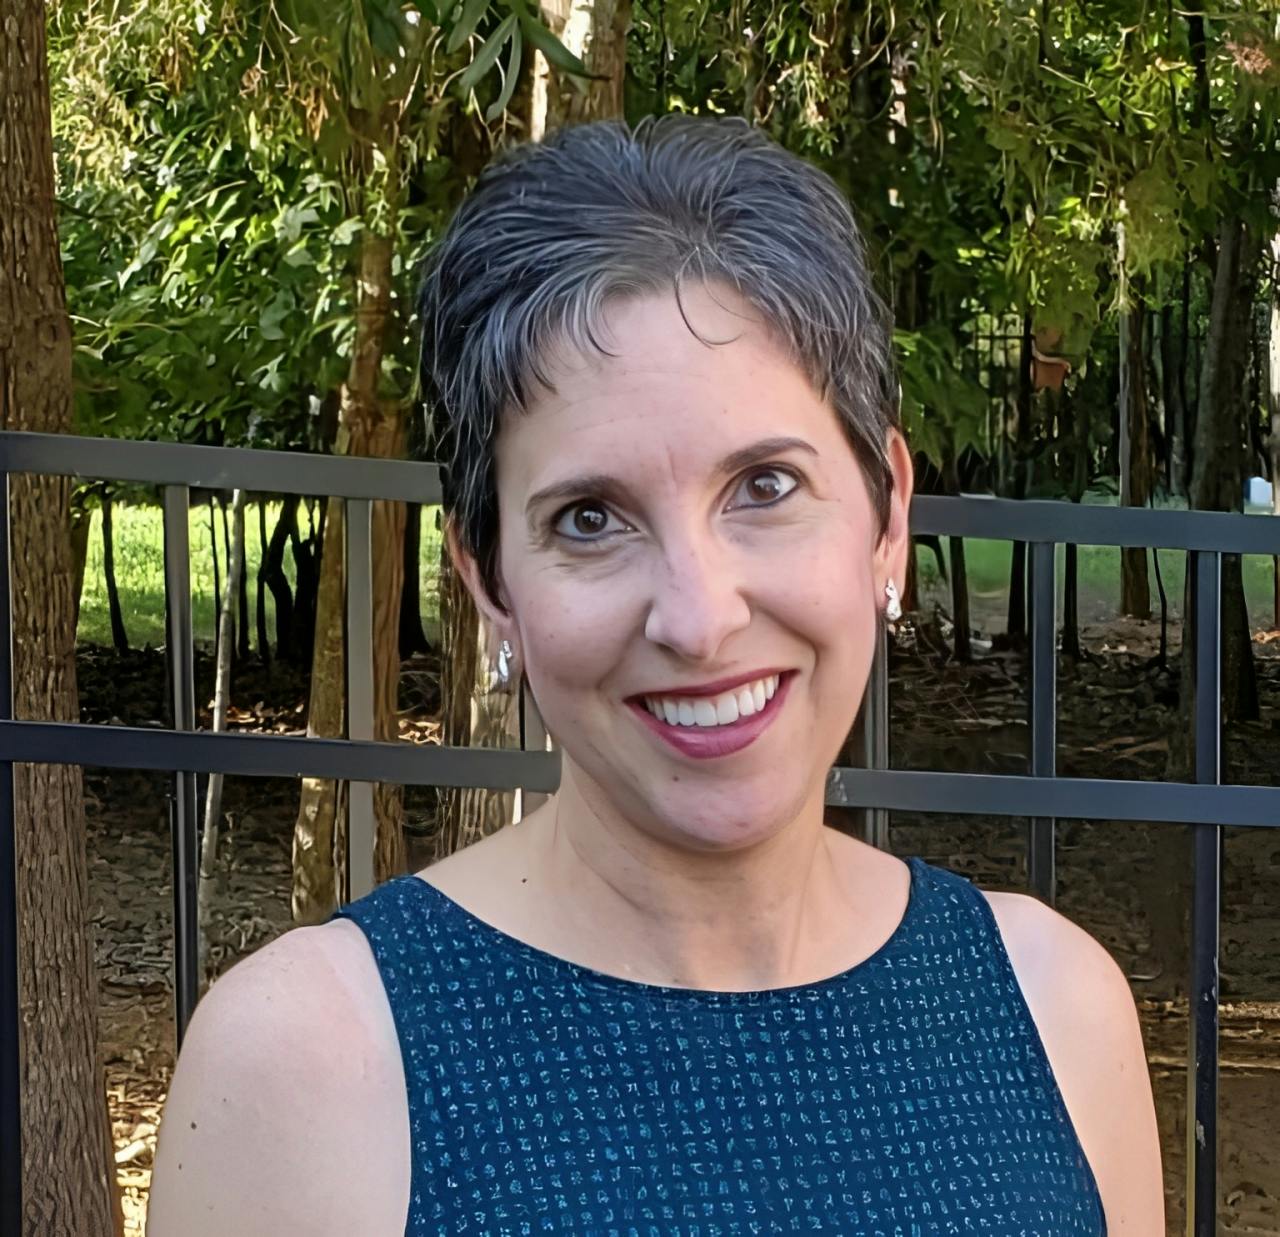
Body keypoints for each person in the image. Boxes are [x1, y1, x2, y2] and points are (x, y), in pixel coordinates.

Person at [146, 115, 1164, 1236]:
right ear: (489, 581)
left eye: (764, 486)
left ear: (886, 516)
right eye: (590, 517)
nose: (698, 617)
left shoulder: (1054, 1011)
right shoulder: (308, 1070)